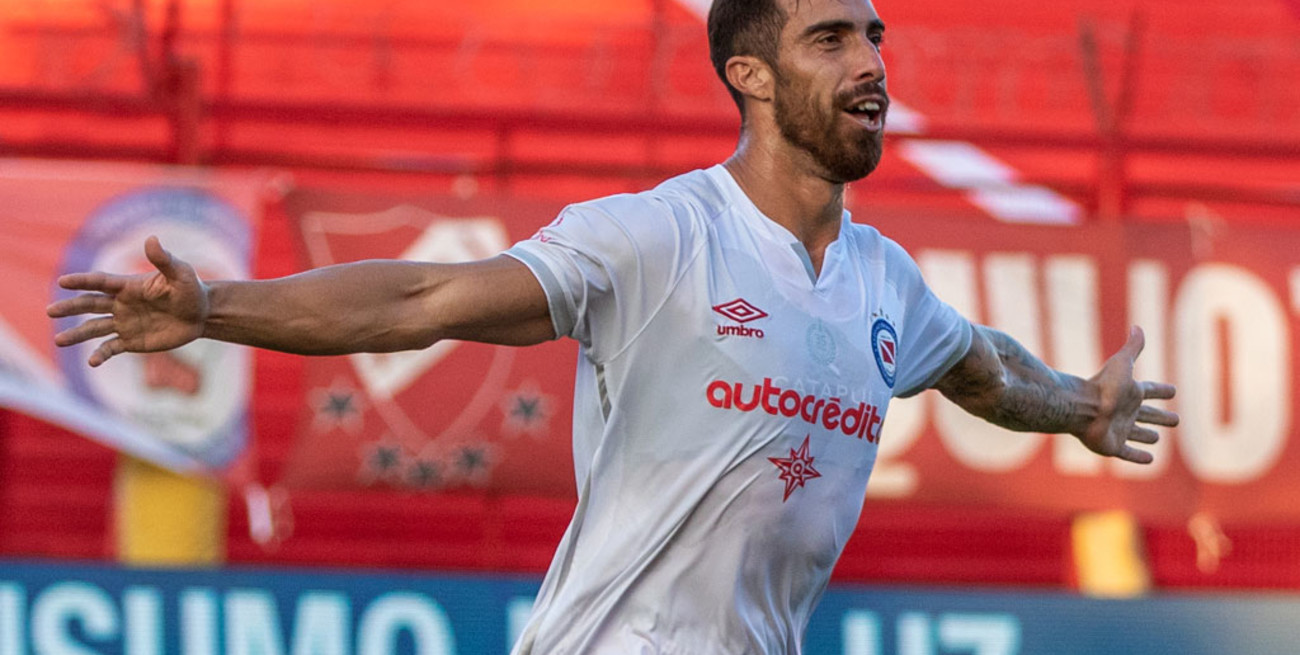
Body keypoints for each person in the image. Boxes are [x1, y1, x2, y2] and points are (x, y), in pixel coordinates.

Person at [49, 0, 1179, 651]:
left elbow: (981, 367)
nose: (872, 64)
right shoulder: (657, 237)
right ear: (748, 72)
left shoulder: (887, 281)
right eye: (831, 39)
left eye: (875, 38)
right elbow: (422, 299)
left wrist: (1078, 404)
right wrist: (214, 307)